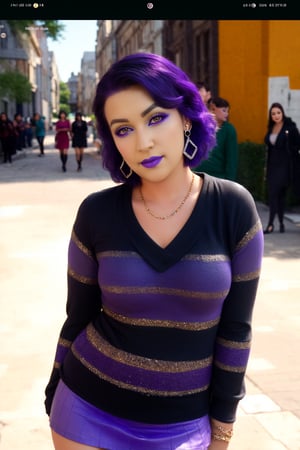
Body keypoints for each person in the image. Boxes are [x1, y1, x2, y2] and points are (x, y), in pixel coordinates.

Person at [44, 52, 264, 450]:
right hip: (85, 411)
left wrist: (223, 428)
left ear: (186, 117)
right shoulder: (97, 213)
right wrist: (54, 387)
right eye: (123, 129)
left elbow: (236, 330)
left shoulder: (233, 207)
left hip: (184, 426)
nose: (143, 142)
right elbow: (77, 316)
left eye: (156, 118)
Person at [263, 102, 300, 234]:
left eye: (278, 112)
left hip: (284, 167)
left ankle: (273, 224)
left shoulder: (290, 128)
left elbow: (297, 146)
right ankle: (278, 224)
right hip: (272, 166)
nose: (276, 115)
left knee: (279, 196)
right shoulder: (271, 127)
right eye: (273, 113)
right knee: (274, 195)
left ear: (282, 113)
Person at [194, 97, 238, 181]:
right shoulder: (201, 127)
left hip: (219, 178)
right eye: (224, 110)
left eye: (228, 111)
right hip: (198, 176)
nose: (227, 114)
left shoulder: (229, 130)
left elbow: (232, 158)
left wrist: (229, 181)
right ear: (213, 109)